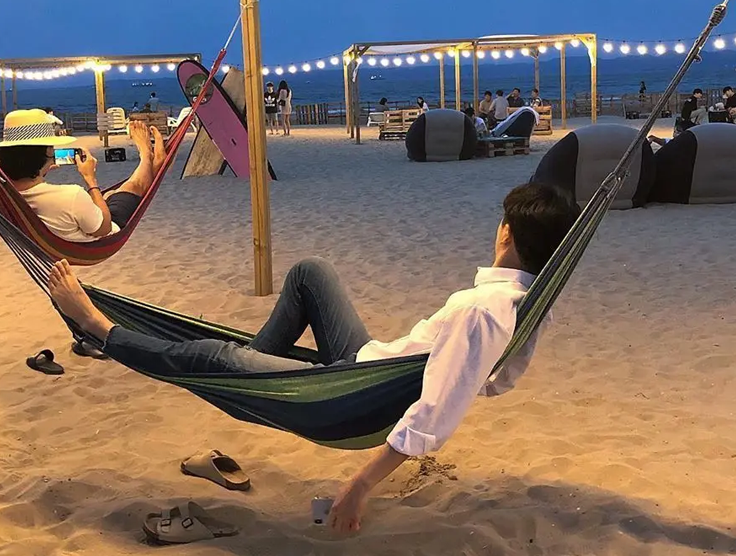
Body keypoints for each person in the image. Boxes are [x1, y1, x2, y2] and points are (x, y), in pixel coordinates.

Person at [46, 182, 581, 534]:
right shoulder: (523, 301)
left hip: (351, 402)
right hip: (368, 369)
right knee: (310, 273)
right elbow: (495, 381)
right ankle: (249, 376)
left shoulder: (480, 311)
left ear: (505, 232)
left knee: (210, 356)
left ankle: (101, 330)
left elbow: (435, 415)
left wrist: (360, 486)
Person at [0, 109, 167, 242]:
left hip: (68, 228)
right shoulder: (71, 195)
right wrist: (90, 179)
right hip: (105, 230)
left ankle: (152, 164)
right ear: (47, 152)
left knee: (110, 194)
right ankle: (147, 155)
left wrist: (39, 171)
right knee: (134, 187)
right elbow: (104, 229)